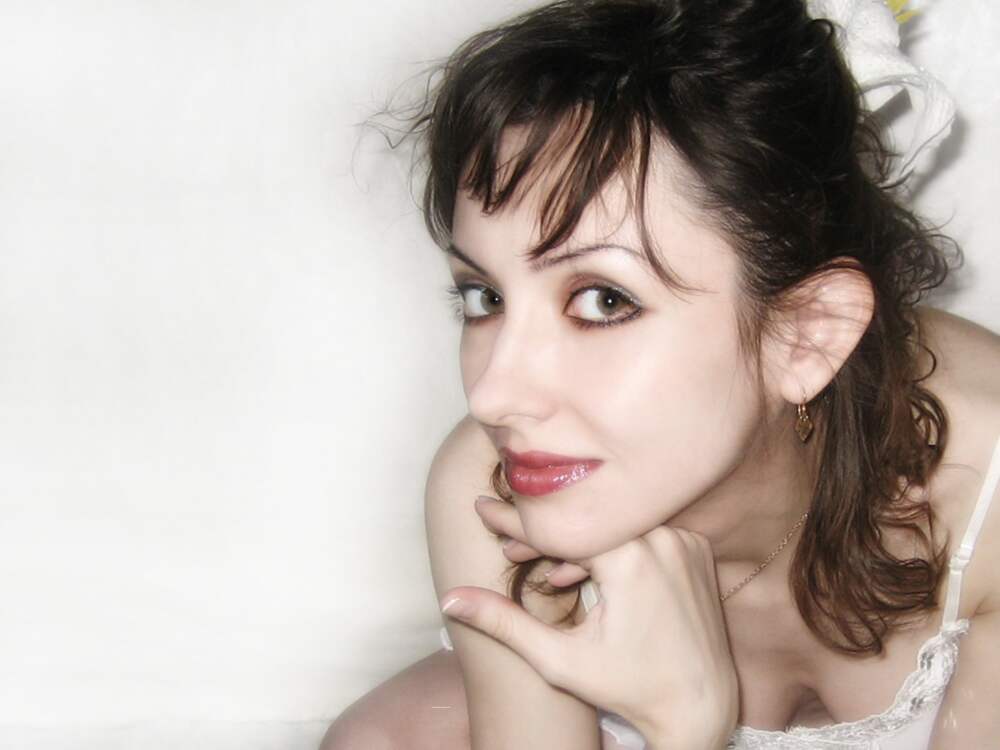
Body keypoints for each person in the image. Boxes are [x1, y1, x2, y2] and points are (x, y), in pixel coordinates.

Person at [323, 0, 1000, 747]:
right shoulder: (486, 490)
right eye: (485, 297)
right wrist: (684, 728)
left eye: (603, 301)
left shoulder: (988, 484)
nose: (493, 396)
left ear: (807, 335)